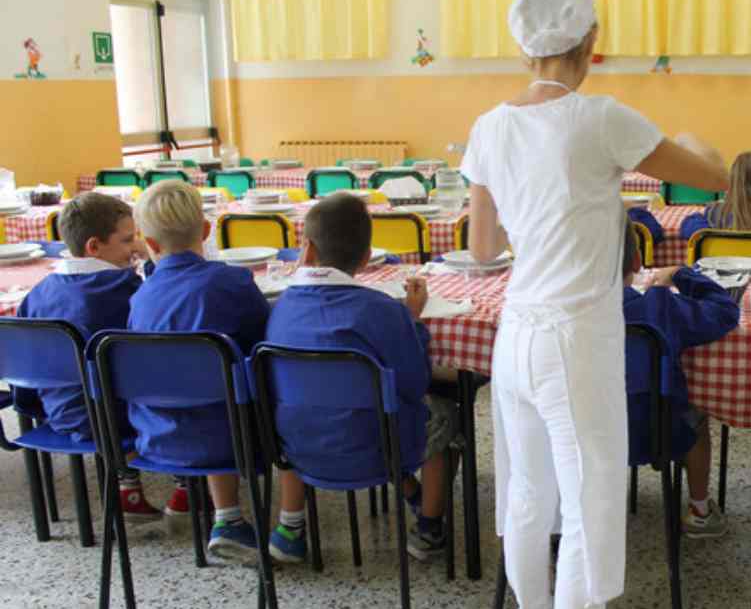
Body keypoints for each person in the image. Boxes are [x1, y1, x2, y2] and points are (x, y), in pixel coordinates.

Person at [461, 0, 728, 609]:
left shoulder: (490, 125)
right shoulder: (602, 117)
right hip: (575, 339)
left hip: (515, 333)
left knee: (525, 495)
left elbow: (482, 246)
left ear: (523, 48)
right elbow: (709, 179)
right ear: (590, 46)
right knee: (587, 508)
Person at [263, 193, 456, 564]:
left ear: (307, 248)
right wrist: (412, 321)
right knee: (445, 410)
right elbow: (414, 385)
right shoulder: (382, 311)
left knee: (323, 403)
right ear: (368, 258)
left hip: (296, 446)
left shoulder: (281, 308)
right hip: (379, 450)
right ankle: (429, 527)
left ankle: (292, 526)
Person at [129, 180, 270, 562]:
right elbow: (265, 346)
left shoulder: (141, 298)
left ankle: (227, 515)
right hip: (236, 438)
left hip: (157, 436)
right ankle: (289, 524)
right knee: (239, 385)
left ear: (151, 245)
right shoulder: (233, 282)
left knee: (204, 385)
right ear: (207, 231)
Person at [17, 193, 166, 522]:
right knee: (174, 380)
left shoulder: (38, 293)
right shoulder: (124, 291)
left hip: (61, 414)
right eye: (128, 240)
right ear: (94, 247)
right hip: (122, 417)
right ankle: (188, 486)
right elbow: (160, 320)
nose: (134, 247)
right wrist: (154, 259)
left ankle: (129, 485)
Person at [621, 221, 740, 538]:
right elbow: (726, 311)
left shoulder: (568, 310)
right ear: (637, 262)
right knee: (698, 417)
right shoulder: (659, 305)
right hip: (659, 432)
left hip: (585, 434)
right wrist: (680, 274)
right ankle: (700, 510)